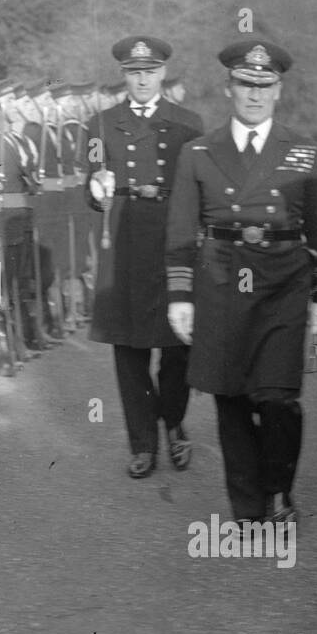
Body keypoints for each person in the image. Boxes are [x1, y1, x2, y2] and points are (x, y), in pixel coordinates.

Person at [164, 39, 317, 522]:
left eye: (265, 85)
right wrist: (180, 295)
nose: (255, 95)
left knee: (278, 397)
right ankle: (247, 505)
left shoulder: (303, 152)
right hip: (220, 281)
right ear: (228, 89)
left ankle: (279, 488)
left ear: (278, 90)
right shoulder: (198, 152)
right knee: (232, 396)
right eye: (245, 85)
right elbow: (180, 232)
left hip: (284, 282)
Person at [86, 35, 202, 479]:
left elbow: (198, 189)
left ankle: (172, 420)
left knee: (178, 345)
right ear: (124, 76)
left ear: (161, 74)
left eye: (149, 72)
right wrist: (97, 192)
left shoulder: (188, 124)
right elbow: (90, 187)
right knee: (129, 348)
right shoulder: (100, 124)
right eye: (133, 73)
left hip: (173, 239)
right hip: (125, 238)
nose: (141, 80)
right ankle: (143, 442)